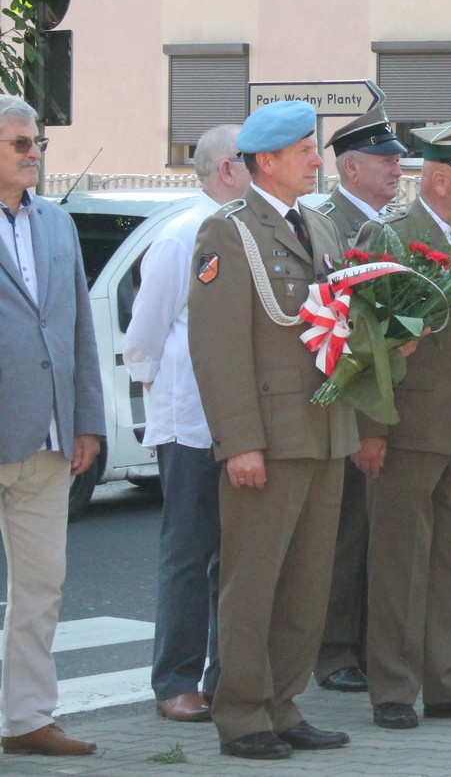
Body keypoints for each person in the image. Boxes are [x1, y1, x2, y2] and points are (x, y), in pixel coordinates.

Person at [188, 100, 356, 760]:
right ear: (267, 161)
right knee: (253, 583)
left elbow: (338, 325)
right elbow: (219, 347)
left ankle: (284, 705)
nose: (317, 161)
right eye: (304, 152)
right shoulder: (229, 232)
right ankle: (241, 714)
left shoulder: (316, 225)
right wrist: (241, 442)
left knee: (308, 582)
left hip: (325, 427)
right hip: (271, 434)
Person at [355, 118, 451, 728]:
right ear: (439, 180)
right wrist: (371, 429)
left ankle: (448, 680)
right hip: (410, 426)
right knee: (399, 559)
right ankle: (393, 688)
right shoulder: (391, 235)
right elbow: (364, 340)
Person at [124, 123, 248, 723]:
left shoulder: (248, 229)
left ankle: (227, 677)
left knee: (235, 556)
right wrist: (160, 392)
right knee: (189, 554)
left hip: (242, 422)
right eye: (259, 157)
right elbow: (145, 334)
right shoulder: (183, 234)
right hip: (193, 421)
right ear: (229, 168)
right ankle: (176, 681)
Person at [0, 95, 103, 757]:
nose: (34, 151)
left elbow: (78, 328)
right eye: (19, 144)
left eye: (36, 141)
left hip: (47, 439)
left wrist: (87, 419)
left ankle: (27, 718)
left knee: (42, 587)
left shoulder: (57, 226)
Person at [310, 105, 407, 695]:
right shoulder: (328, 225)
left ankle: (372, 644)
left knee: (379, 532)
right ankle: (335, 648)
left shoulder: (388, 225)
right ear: (350, 167)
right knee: (346, 534)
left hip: (388, 403)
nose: (398, 166)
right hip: (347, 404)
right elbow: (336, 327)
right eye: (385, 158)